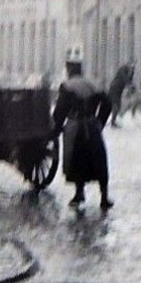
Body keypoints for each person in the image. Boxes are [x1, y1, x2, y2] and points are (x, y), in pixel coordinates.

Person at [52, 45, 113, 211]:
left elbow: (61, 110)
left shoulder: (68, 86)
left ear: (69, 69)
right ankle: (104, 196)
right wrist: (100, 121)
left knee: (77, 160)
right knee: (99, 160)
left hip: (76, 127)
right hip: (93, 126)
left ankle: (79, 193)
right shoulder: (93, 83)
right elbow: (107, 103)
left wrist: (56, 128)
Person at [107, 60, 135, 127]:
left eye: (133, 65)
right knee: (116, 105)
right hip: (114, 88)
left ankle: (113, 121)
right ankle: (113, 122)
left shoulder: (130, 70)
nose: (131, 66)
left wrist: (132, 72)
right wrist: (130, 84)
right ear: (128, 64)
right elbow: (124, 78)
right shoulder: (123, 69)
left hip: (119, 89)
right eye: (131, 65)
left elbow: (129, 80)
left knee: (118, 106)